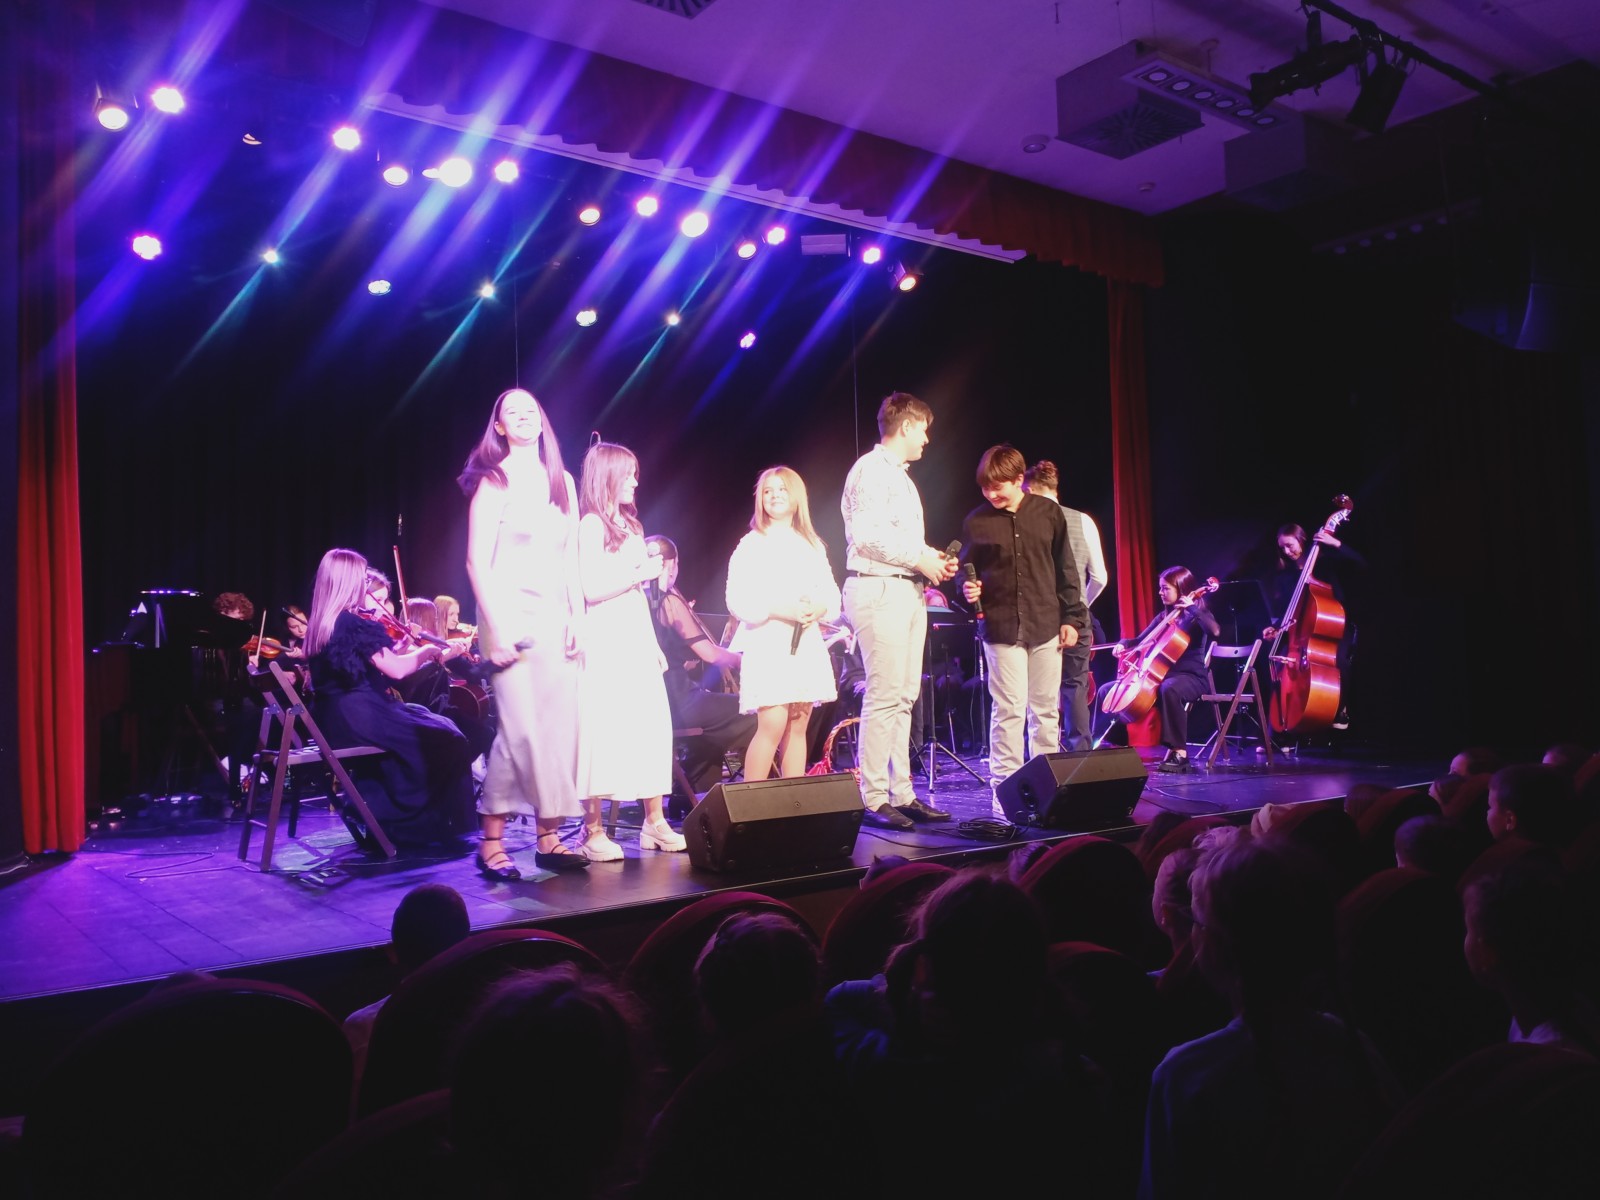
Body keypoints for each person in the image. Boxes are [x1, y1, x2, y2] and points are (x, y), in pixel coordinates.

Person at [461, 387, 587, 877]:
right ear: (499, 426)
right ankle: (491, 840)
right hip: (509, 616)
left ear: (542, 420)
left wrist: (577, 616)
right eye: (511, 412)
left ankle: (548, 836)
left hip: (555, 617)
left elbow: (571, 557)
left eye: (530, 410)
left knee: (556, 727)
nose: (523, 416)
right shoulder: (494, 480)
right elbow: (476, 562)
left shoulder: (562, 481)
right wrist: (497, 629)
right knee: (519, 730)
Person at [840, 392, 959, 830]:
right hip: (879, 589)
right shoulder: (870, 470)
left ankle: (901, 792)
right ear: (906, 426)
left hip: (905, 590)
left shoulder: (901, 478)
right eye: (924, 429)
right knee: (885, 693)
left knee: (905, 695)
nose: (927, 438)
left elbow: (898, 540)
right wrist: (919, 558)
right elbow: (868, 538)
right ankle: (873, 797)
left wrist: (930, 558)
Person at [302, 547, 475, 848]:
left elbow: (367, 667)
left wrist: (402, 648)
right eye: (361, 579)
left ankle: (386, 817)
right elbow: (396, 670)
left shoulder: (322, 624)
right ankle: (411, 823)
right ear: (348, 581)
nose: (365, 586)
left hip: (334, 719)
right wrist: (426, 651)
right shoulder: (352, 623)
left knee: (434, 725)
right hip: (362, 717)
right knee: (448, 737)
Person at [960, 445, 1088, 813]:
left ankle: (1047, 793)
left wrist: (1072, 619)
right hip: (1000, 627)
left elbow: (1066, 570)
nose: (991, 494)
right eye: (985, 487)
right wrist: (967, 589)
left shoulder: (1048, 513)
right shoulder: (976, 521)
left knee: (1045, 711)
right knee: (1008, 711)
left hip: (1046, 623)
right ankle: (1006, 796)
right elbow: (965, 573)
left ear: (1019, 480)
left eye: (998, 486)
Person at [576, 441, 687, 860]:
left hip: (635, 637)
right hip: (605, 637)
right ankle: (591, 829)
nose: (635, 482)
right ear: (607, 476)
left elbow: (638, 596)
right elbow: (591, 589)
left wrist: (652, 643)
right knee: (604, 731)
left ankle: (654, 822)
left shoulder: (632, 527)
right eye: (628, 474)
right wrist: (636, 572)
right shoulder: (591, 525)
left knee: (651, 727)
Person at [726, 466, 842, 782]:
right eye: (768, 490)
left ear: (796, 496)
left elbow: (831, 596)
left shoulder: (811, 544)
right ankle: (751, 804)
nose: (775, 495)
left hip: (805, 644)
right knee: (772, 724)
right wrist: (781, 609)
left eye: (782, 489)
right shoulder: (752, 544)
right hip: (769, 643)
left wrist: (818, 608)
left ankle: (793, 801)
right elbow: (737, 600)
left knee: (798, 723)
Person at [646, 534, 757, 798]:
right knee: (754, 711)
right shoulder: (669, 601)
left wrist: (680, 663)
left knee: (715, 722)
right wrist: (744, 660)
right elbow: (710, 654)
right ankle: (746, 789)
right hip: (680, 702)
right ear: (671, 564)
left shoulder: (636, 600)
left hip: (656, 703)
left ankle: (690, 793)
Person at [1023, 459, 1107, 751]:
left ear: (1031, 490)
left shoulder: (1028, 520)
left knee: (1037, 691)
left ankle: (1037, 756)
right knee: (1075, 687)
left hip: (1040, 618)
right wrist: (1081, 607)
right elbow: (1100, 577)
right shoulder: (1084, 520)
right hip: (1078, 618)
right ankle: (1079, 758)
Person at [1115, 566, 1220, 773]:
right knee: (1111, 690)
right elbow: (1140, 640)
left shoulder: (1197, 614)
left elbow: (1215, 631)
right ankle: (1114, 746)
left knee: (1169, 689)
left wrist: (1192, 608)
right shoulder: (1164, 617)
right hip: (1163, 677)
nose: (1160, 592)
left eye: (1165, 588)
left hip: (1192, 677)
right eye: (1160, 588)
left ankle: (1179, 753)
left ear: (1181, 589)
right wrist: (1123, 643)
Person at [1265, 521, 1363, 731]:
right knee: (1281, 667)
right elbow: (1289, 611)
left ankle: (1340, 708)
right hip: (1301, 633)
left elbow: (1360, 564)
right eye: (1282, 547)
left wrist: (1335, 543)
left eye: (1290, 545)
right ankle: (1281, 728)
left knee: (1339, 662)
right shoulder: (1286, 576)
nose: (1286, 551)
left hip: (1333, 625)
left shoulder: (1324, 563)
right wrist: (1276, 628)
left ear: (1302, 540)